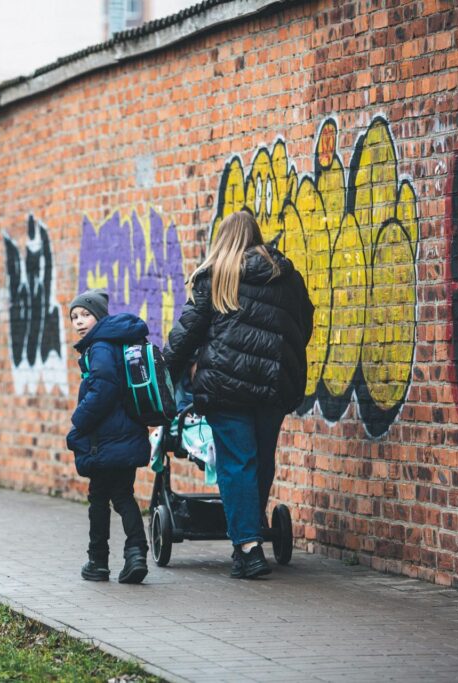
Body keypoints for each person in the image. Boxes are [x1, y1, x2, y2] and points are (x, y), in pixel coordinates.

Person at [164, 210, 314, 579]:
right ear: (257, 236)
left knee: (237, 462)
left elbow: (187, 333)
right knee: (262, 460)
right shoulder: (287, 275)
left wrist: (165, 371)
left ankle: (248, 548)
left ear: (224, 239)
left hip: (226, 386)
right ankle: (251, 533)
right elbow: (304, 323)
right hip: (275, 383)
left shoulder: (217, 277)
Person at [66, 288, 150, 584]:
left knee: (100, 498)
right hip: (126, 434)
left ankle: (98, 561)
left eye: (85, 314)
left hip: (106, 439)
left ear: (99, 316)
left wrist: (79, 420)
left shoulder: (100, 346)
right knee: (122, 495)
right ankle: (136, 552)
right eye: (74, 316)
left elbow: (104, 388)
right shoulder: (117, 341)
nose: (78, 321)